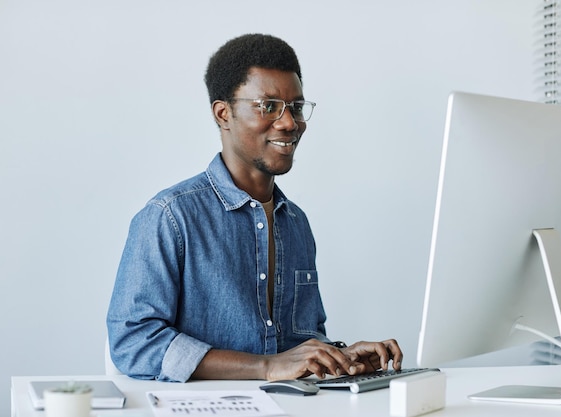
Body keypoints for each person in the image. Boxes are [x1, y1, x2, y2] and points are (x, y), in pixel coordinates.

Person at [106, 33, 403, 383]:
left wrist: (338, 358)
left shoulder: (296, 224)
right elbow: (133, 343)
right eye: (268, 106)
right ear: (223, 113)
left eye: (295, 107)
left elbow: (294, 347)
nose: (289, 122)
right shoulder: (170, 217)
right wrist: (266, 367)